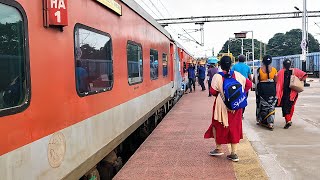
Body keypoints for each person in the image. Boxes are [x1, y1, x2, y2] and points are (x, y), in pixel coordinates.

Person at [204, 56, 252, 162]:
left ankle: (218, 148)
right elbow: (249, 84)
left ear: (220, 65)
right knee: (235, 126)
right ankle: (234, 153)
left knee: (217, 125)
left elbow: (212, 92)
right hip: (236, 105)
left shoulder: (217, 76)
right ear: (231, 64)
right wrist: (240, 96)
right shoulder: (237, 75)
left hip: (221, 105)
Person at [276, 59, 307, 129]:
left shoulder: (280, 72)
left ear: (283, 65)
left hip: (284, 92)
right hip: (294, 92)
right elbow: (305, 75)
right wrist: (299, 80)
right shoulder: (295, 71)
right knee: (291, 105)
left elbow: (277, 81)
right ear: (290, 65)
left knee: (285, 107)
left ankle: (288, 120)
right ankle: (289, 119)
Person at [254, 55, 278, 130]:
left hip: (262, 90)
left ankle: (262, 120)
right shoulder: (274, 70)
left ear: (263, 61)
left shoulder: (259, 70)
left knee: (263, 106)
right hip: (272, 90)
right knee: (271, 106)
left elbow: (255, 81)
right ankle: (270, 123)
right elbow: (276, 81)